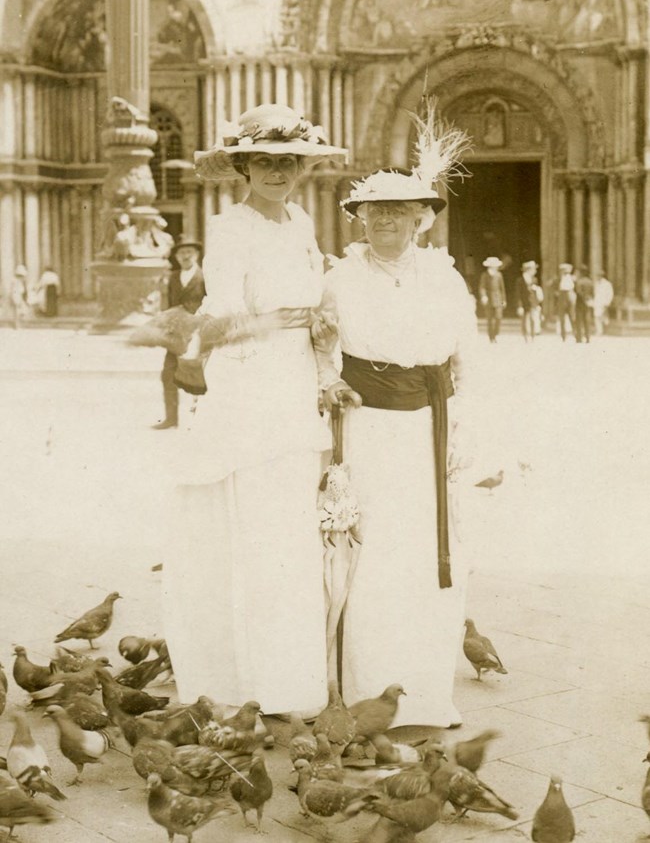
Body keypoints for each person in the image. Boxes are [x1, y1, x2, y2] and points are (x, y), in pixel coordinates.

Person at [162, 104, 347, 715]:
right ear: (243, 166)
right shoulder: (229, 227)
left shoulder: (300, 222)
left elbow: (320, 296)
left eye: (288, 162)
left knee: (290, 530)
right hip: (252, 383)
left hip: (295, 378)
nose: (277, 173)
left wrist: (321, 344)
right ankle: (242, 680)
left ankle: (290, 680)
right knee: (255, 522)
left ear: (301, 169)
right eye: (264, 162)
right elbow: (223, 315)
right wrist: (288, 318)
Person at [316, 147, 477, 728]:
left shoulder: (444, 276)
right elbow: (320, 349)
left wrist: (463, 428)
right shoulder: (339, 279)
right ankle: (364, 693)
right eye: (374, 212)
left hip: (428, 429)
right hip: (368, 429)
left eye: (398, 212)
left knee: (429, 555)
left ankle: (428, 696)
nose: (385, 222)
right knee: (371, 552)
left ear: (420, 218)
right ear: (359, 219)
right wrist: (329, 382)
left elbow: (467, 358)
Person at [152, 237, 206, 430]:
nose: (185, 256)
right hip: (177, 335)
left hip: (199, 333)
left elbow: (210, 303)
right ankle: (171, 419)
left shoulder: (205, 276)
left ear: (197, 254)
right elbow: (168, 305)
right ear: (176, 256)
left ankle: (200, 420)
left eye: (189, 252)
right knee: (168, 375)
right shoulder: (173, 277)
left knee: (200, 378)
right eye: (181, 253)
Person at [478, 256, 506, 342]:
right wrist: (483, 296)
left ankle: (495, 333)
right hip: (489, 299)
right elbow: (482, 287)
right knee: (490, 319)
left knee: (498, 317)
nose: (495, 267)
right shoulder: (485, 275)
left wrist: (504, 300)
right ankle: (491, 337)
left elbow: (502, 288)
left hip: (498, 299)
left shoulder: (499, 275)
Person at [516, 260, 544, 342]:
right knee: (524, 320)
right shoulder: (520, 280)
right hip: (524, 303)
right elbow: (518, 294)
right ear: (528, 270)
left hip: (533, 303)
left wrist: (537, 303)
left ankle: (532, 336)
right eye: (533, 269)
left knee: (533, 319)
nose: (535, 271)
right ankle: (525, 336)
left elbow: (536, 293)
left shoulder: (534, 279)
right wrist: (519, 306)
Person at [554, 262, 576, 341]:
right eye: (563, 270)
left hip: (569, 298)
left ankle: (575, 334)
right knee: (562, 318)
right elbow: (555, 289)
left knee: (572, 316)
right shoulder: (558, 279)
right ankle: (563, 335)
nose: (565, 272)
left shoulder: (573, 279)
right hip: (562, 298)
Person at [574, 264, 594, 343]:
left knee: (579, 320)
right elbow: (593, 292)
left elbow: (578, 292)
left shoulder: (580, 281)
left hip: (580, 303)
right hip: (588, 303)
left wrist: (584, 299)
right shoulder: (590, 282)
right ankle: (588, 337)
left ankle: (579, 338)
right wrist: (589, 299)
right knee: (587, 320)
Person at [593, 270, 614, 335]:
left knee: (604, 317)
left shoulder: (607, 284)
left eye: (599, 276)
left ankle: (606, 330)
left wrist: (607, 302)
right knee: (597, 316)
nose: (598, 277)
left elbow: (610, 294)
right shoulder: (596, 283)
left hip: (604, 302)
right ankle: (599, 331)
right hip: (597, 302)